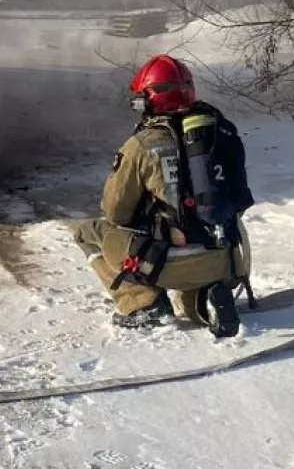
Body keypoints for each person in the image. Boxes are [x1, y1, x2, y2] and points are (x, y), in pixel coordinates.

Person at [72, 54, 256, 337]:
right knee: (195, 263)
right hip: (227, 260)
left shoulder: (143, 145)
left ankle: (143, 303)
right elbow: (239, 199)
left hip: (167, 264)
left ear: (150, 97)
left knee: (90, 232)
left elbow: (116, 212)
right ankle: (204, 298)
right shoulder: (219, 131)